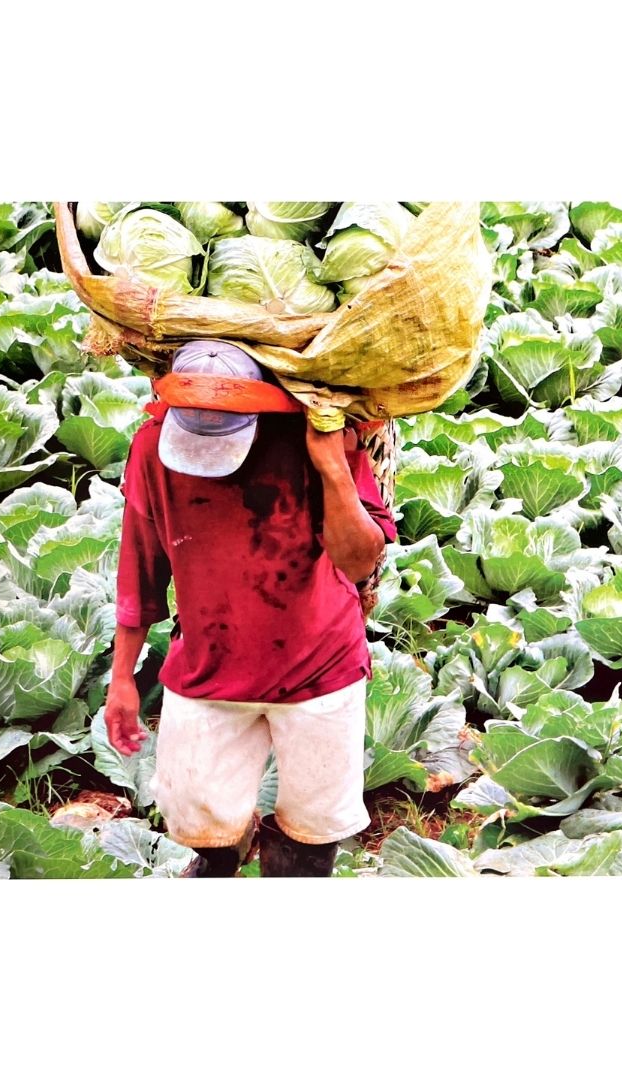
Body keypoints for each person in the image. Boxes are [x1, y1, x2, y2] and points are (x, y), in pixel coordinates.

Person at [104, 340, 396, 877]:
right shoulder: (151, 447)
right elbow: (140, 567)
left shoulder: (317, 442)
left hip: (321, 669)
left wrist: (332, 468)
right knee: (200, 831)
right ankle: (226, 859)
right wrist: (122, 677)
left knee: (311, 843)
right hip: (208, 669)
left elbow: (358, 563)